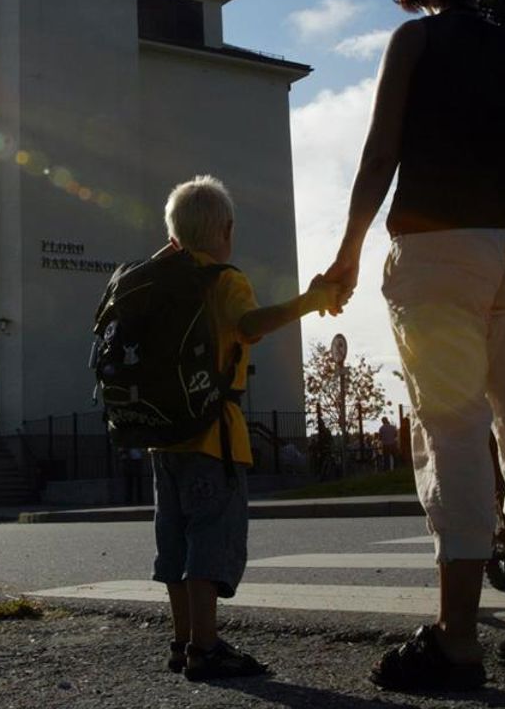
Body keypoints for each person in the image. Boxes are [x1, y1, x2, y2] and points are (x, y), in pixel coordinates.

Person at [323, 0, 505, 690]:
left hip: (439, 254)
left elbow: (379, 153)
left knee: (455, 432)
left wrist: (348, 254)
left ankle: (457, 638)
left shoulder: (417, 45)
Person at [153, 175, 339, 682]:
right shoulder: (225, 281)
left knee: (173, 541)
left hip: (162, 435)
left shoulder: (158, 286)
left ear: (173, 238)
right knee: (209, 539)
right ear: (227, 230)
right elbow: (251, 326)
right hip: (212, 435)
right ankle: (206, 647)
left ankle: (182, 640)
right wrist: (309, 300)